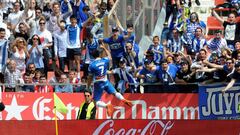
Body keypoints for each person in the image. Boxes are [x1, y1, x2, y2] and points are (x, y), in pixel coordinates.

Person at [87, 44, 132, 118]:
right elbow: (110, 57)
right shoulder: (104, 60)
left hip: (98, 83)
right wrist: (104, 48)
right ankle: (123, 99)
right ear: (99, 54)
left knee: (95, 101)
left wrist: (88, 86)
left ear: (92, 56)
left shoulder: (92, 65)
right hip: (106, 81)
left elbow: (90, 77)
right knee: (115, 93)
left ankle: (106, 106)